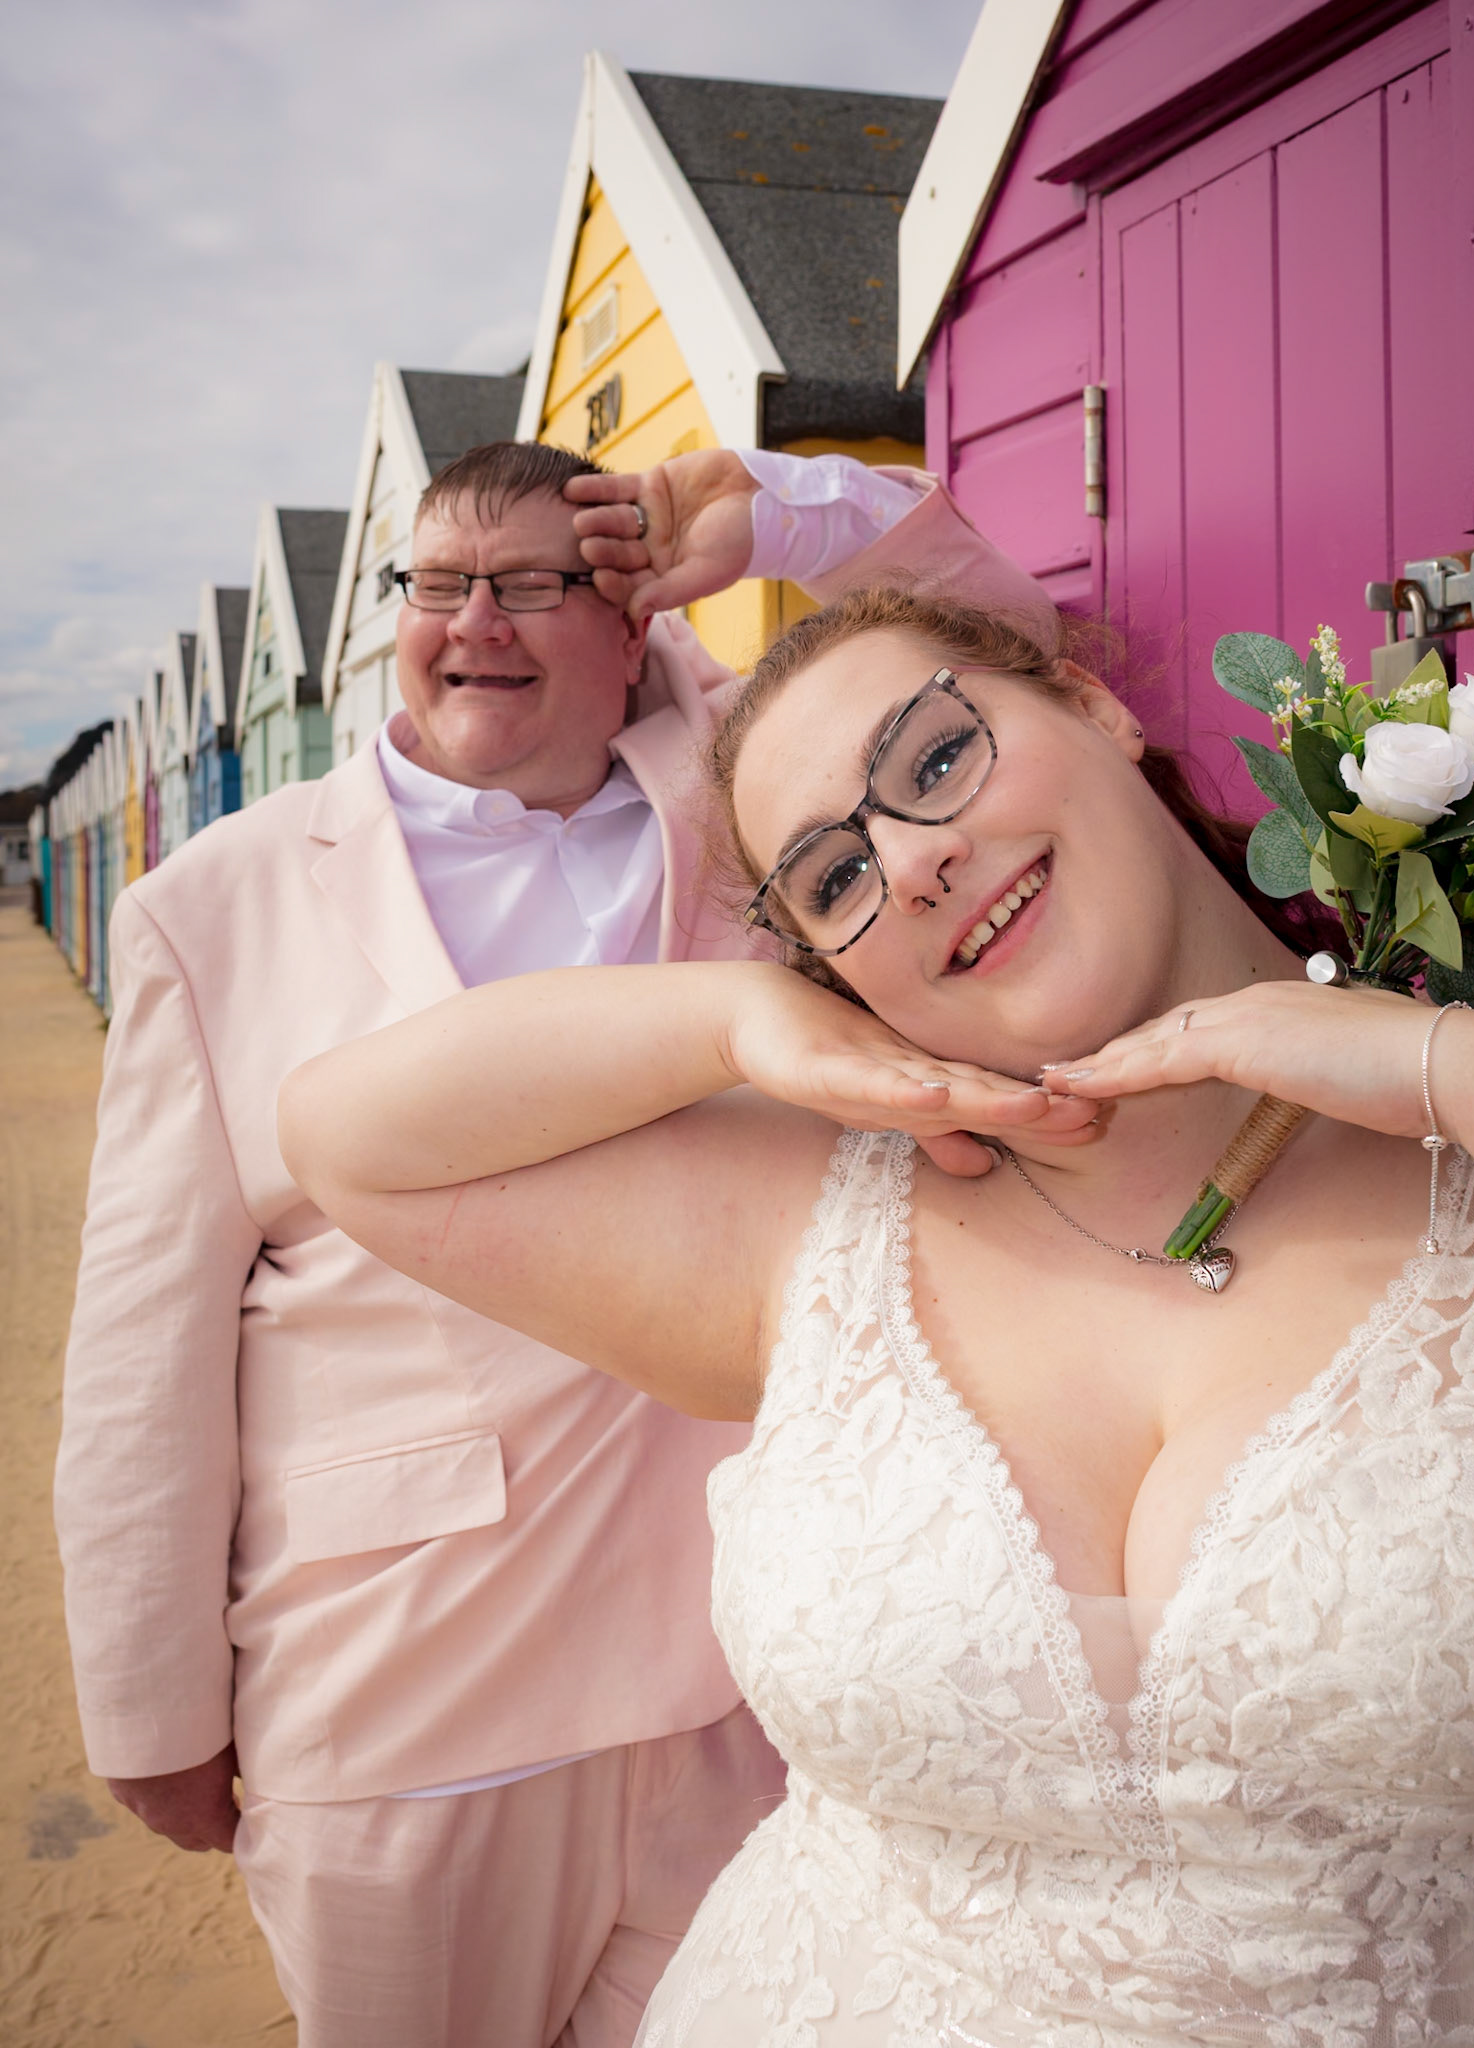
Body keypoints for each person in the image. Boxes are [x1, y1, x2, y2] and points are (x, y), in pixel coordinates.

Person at [279, 548, 1474, 2042]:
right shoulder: (821, 1218)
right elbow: (355, 1139)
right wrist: (736, 1018)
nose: (913, 859)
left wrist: (1441, 1067)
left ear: (1094, 707)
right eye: (836, 879)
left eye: (935, 758)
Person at [53, 438, 1052, 2048]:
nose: (476, 625)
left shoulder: (746, 803)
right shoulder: (216, 899)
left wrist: (786, 513)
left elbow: (1019, 661)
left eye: (535, 584)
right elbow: (142, 1348)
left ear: (636, 614)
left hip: (763, 1672)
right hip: (412, 1695)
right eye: (440, 585)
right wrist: (149, 1698)